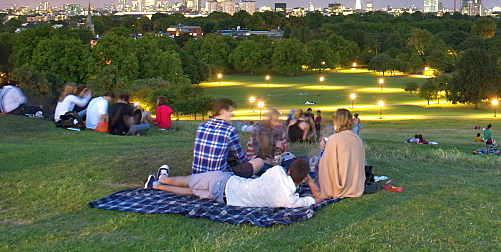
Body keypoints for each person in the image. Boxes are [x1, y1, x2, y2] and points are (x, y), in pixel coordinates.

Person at [146, 157, 325, 208]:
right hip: (224, 198)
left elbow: (272, 168)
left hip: (226, 181)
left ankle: (163, 178)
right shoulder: (289, 200)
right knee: (193, 192)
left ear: (289, 171)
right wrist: (309, 181)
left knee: (190, 181)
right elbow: (317, 199)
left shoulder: (277, 172)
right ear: (301, 180)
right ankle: (157, 186)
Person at [193, 98, 264, 177]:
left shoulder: (201, 126)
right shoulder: (229, 129)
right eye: (231, 111)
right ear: (223, 112)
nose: (232, 115)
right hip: (218, 177)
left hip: (197, 174)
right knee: (259, 162)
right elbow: (240, 157)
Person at [318, 108, 366, 198]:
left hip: (338, 188)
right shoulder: (357, 139)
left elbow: (326, 166)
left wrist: (322, 150)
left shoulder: (334, 139)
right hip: (356, 186)